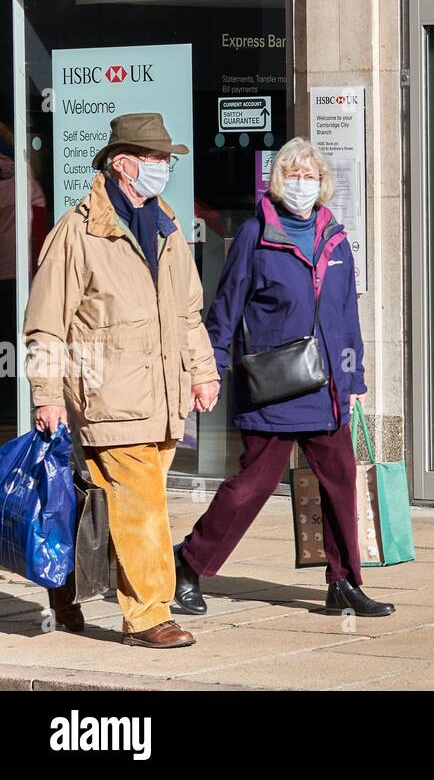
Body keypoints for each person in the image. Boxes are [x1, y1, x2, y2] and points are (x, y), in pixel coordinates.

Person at [173, 138, 393, 618]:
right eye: (292, 174)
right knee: (251, 487)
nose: (301, 183)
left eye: (309, 175)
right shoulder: (255, 234)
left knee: (341, 481)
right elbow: (225, 310)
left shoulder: (334, 235)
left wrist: (354, 380)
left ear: (323, 183)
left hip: (328, 386)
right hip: (272, 385)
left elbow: (345, 315)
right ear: (277, 181)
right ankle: (188, 563)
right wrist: (208, 371)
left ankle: (343, 582)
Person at [24, 112, 220, 648]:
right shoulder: (79, 230)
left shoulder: (168, 226)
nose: (165, 167)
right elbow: (44, 325)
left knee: (119, 504)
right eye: (157, 159)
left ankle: (62, 581)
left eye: (167, 159)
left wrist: (202, 373)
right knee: (142, 504)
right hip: (107, 395)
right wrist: (46, 396)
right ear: (123, 163)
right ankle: (149, 616)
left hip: (162, 395)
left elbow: (187, 311)